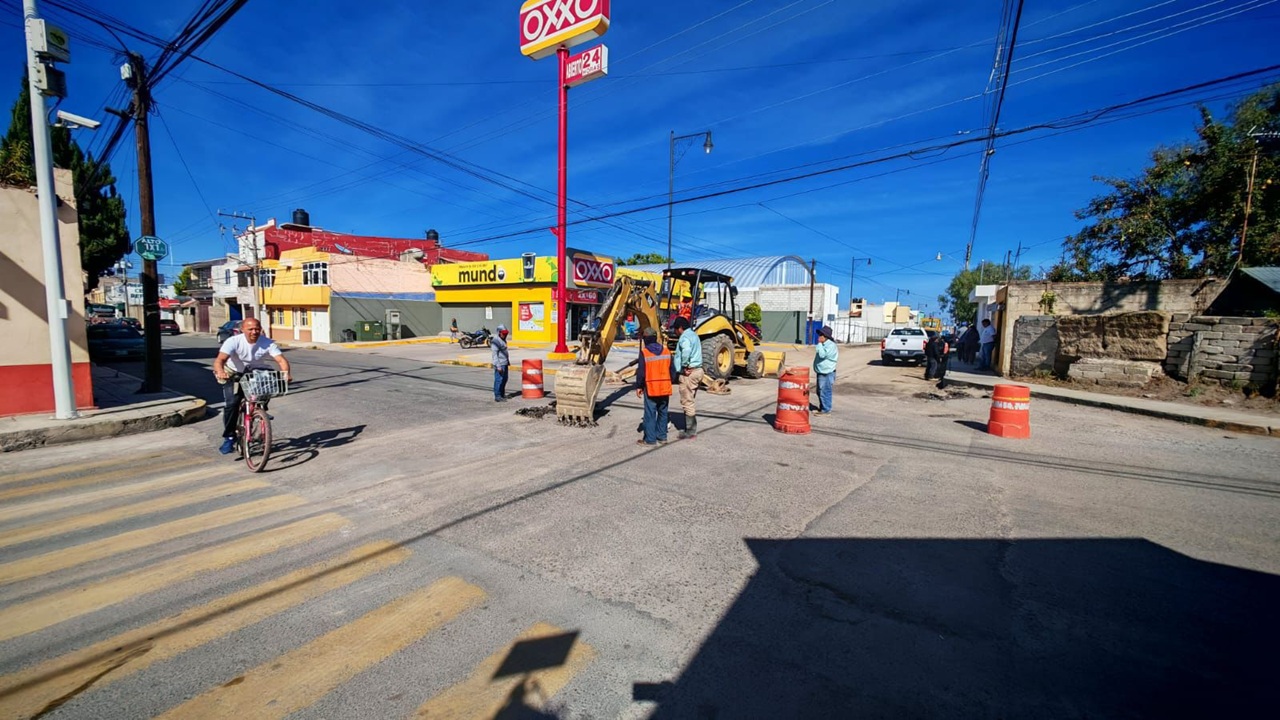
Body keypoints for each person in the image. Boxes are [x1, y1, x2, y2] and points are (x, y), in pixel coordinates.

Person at [212, 318, 292, 455]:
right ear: (242, 330)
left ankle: (260, 409)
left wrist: (286, 374)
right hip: (234, 373)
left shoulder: (267, 342)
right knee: (232, 403)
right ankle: (229, 437)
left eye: (257, 329)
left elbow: (281, 360)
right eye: (250, 329)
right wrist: (220, 371)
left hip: (255, 373)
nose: (254, 332)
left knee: (270, 383)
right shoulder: (233, 341)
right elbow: (220, 360)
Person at [634, 326, 672, 445]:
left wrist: (639, 386)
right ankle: (662, 437)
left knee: (650, 413)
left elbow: (641, 372)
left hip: (651, 388)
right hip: (664, 387)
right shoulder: (666, 351)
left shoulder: (645, 353)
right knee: (663, 412)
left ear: (646, 339)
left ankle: (650, 439)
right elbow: (673, 371)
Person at [671, 317, 704, 439]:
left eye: (675, 329)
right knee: (691, 399)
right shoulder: (694, 335)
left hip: (689, 373)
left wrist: (684, 365)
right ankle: (690, 428)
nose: (675, 332)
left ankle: (690, 431)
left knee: (687, 402)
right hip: (698, 370)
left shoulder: (684, 337)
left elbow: (686, 351)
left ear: (680, 328)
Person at [812, 325, 839, 414]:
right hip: (821, 371)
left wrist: (819, 344)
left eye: (821, 335)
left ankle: (826, 410)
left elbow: (822, 355)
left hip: (827, 372)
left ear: (826, 336)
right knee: (820, 391)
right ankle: (822, 408)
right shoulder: (824, 345)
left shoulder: (830, 345)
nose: (819, 336)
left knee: (825, 391)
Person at [491, 324, 510, 401]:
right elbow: (494, 355)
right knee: (499, 380)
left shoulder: (503, 339)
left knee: (504, 379)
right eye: (503, 333)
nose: (505, 335)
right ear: (499, 332)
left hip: (505, 363)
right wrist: (498, 366)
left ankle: (502, 394)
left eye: (506, 333)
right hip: (500, 364)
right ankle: (497, 396)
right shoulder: (495, 341)